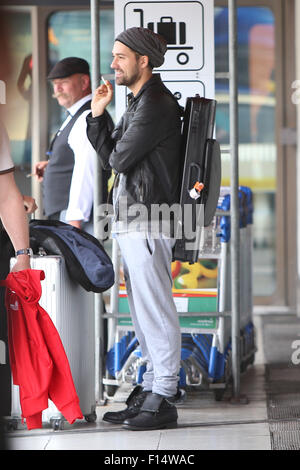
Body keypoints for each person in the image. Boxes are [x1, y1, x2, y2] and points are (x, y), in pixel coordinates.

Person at [86, 27, 183, 431]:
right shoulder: (141, 101)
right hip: (135, 218)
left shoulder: (155, 104)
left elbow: (118, 161)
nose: (113, 65)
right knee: (142, 311)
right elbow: (114, 155)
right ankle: (150, 387)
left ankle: (164, 392)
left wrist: (100, 121)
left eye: (121, 57)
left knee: (154, 308)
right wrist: (99, 116)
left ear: (143, 60)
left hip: (148, 217)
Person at [34, 57, 113, 233]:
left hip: (75, 217)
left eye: (63, 82)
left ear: (84, 82)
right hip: (69, 214)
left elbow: (87, 168)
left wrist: (74, 220)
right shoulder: (78, 114)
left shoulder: (87, 116)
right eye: (55, 83)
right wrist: (53, 165)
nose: (57, 89)